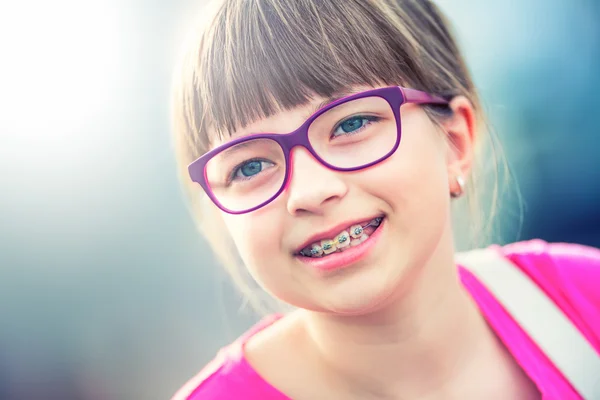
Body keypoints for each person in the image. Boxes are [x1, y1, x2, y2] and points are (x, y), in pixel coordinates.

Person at [170, 0, 600, 398]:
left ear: (455, 142)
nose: (310, 192)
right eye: (249, 168)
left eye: (352, 123)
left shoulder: (584, 302)